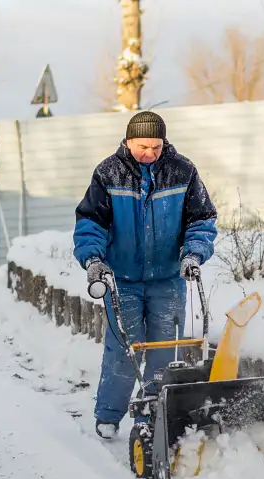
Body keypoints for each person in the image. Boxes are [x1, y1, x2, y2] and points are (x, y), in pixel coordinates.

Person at [72, 111, 218, 439]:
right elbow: (90, 222)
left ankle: (157, 413)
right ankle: (109, 413)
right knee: (125, 347)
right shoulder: (108, 173)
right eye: (142, 146)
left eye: (155, 146)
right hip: (121, 280)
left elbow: (202, 219)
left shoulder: (183, 171)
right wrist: (93, 260)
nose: (149, 153)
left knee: (165, 349)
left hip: (167, 278)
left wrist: (193, 253)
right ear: (128, 141)